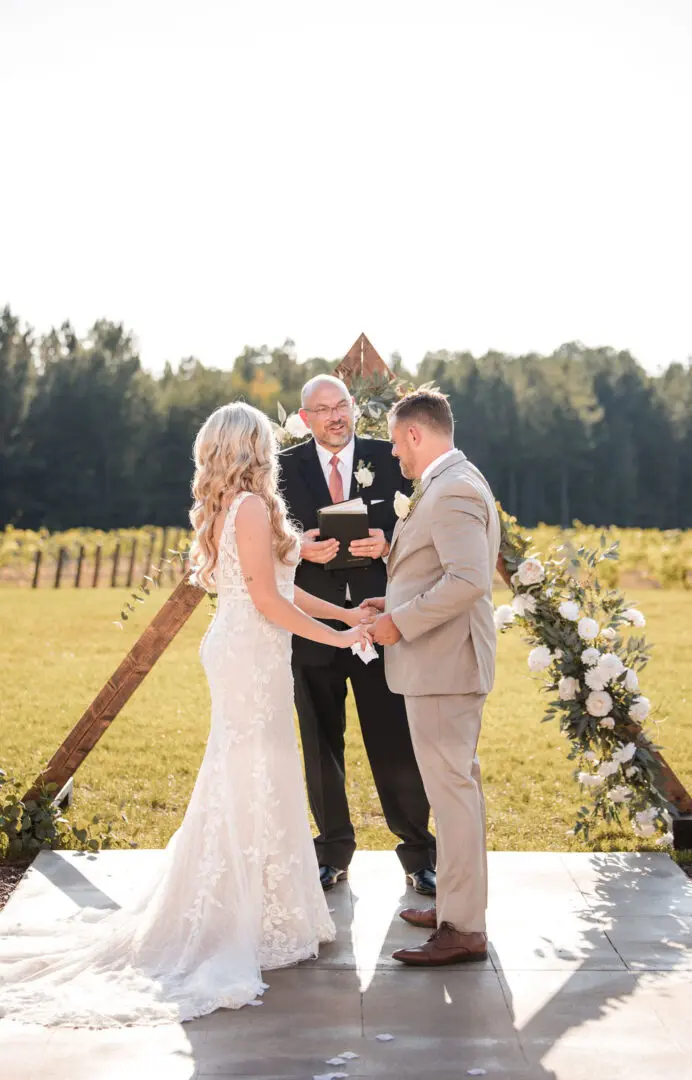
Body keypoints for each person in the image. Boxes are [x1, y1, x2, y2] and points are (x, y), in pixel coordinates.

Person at [0, 402, 371, 1027]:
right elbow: (264, 599)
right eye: (266, 441)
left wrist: (342, 615)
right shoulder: (251, 508)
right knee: (247, 777)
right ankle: (236, 915)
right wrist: (335, 640)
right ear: (251, 447)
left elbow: (277, 588)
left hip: (250, 649)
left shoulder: (239, 507)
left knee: (259, 774)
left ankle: (265, 907)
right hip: (249, 656)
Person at [278, 375, 436, 894]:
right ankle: (332, 851)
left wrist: (386, 543)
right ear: (305, 418)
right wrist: (298, 547)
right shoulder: (282, 469)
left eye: (341, 405)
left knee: (393, 738)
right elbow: (266, 544)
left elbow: (423, 528)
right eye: (321, 409)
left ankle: (418, 854)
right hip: (314, 627)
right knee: (320, 741)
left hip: (379, 621)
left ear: (353, 408)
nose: (334, 415)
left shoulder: (390, 457)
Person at [363, 390, 500, 966]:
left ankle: (463, 928)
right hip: (442, 663)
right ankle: (455, 907)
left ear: (416, 435)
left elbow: (469, 579)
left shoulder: (455, 490)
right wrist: (391, 598)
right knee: (454, 793)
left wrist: (401, 621)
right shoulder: (453, 483)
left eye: (396, 445)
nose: (396, 456)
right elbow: (437, 568)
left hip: (445, 666)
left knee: (453, 795)